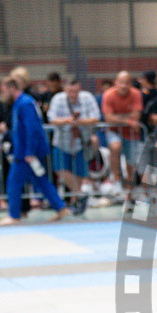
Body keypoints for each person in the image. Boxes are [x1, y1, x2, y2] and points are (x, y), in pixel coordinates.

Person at [0, 74, 68, 225]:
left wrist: (29, 152)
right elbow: (20, 129)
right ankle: (61, 208)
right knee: (40, 180)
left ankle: (14, 215)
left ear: (12, 88)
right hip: (24, 150)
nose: (3, 94)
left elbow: (32, 129)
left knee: (13, 182)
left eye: (4, 90)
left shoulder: (25, 103)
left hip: (26, 153)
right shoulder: (20, 102)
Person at [47, 75, 101, 215]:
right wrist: (67, 121)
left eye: (75, 92)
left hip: (81, 143)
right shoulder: (58, 99)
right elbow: (52, 119)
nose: (72, 94)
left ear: (79, 89)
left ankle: (76, 204)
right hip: (62, 142)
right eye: (70, 91)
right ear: (65, 89)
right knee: (60, 170)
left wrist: (79, 122)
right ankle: (81, 195)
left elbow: (96, 117)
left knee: (79, 174)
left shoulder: (87, 98)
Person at [100, 70, 143, 190]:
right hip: (114, 130)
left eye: (127, 82)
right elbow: (108, 118)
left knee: (131, 161)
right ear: (116, 82)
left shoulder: (136, 94)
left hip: (131, 133)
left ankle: (130, 187)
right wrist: (128, 120)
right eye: (121, 82)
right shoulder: (108, 95)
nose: (123, 86)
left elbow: (136, 116)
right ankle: (116, 179)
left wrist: (117, 117)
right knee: (115, 147)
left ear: (131, 84)